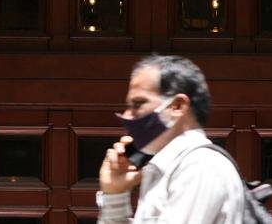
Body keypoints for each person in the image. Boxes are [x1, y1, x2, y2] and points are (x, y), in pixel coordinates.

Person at [97, 54, 247, 223]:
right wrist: (115, 194)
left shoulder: (199, 166)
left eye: (138, 103)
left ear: (177, 106)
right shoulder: (165, 167)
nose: (126, 115)